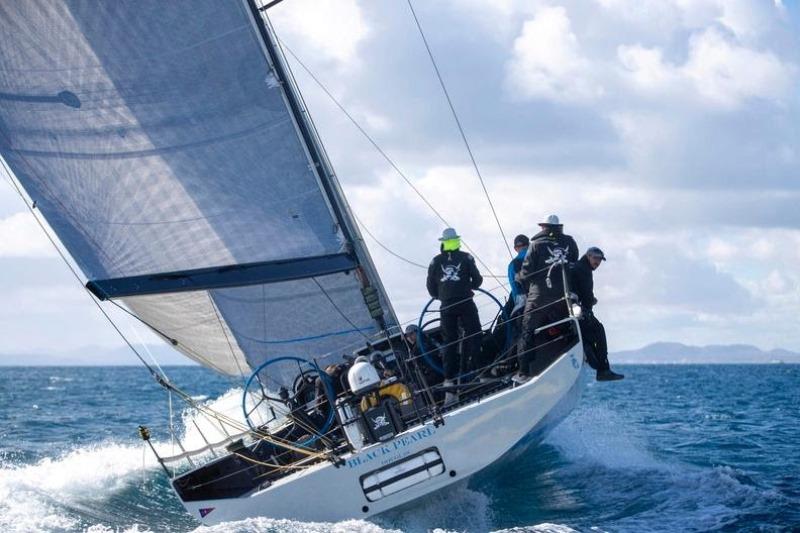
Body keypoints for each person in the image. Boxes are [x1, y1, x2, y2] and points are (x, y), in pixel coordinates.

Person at [514, 215, 578, 381]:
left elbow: (527, 273)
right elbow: (574, 264)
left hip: (539, 297)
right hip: (564, 296)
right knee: (567, 325)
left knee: (527, 329)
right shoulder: (570, 243)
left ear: (544, 227)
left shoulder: (535, 245)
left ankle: (523, 372)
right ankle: (566, 357)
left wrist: (518, 277)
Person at [426, 227, 483, 405]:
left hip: (447, 306)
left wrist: (442, 296)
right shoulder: (466, 258)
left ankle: (449, 379)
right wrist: (468, 287)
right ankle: (480, 371)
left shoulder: (435, 262)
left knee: (449, 342)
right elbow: (478, 280)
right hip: (466, 302)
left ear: (442, 242)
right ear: (456, 241)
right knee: (475, 334)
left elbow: (430, 289)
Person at [570, 247, 624, 381]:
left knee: (589, 333)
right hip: (580, 310)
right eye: (595, 259)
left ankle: (588, 351)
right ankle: (603, 370)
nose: (597, 262)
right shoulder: (584, 269)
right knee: (599, 330)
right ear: (588, 256)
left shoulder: (576, 266)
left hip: (572, 308)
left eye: (599, 260)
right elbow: (587, 294)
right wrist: (591, 300)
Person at [508, 234, 530, 313]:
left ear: (515, 249)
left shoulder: (512, 265)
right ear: (529, 245)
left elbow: (515, 290)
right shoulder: (539, 258)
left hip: (524, 304)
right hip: (545, 299)